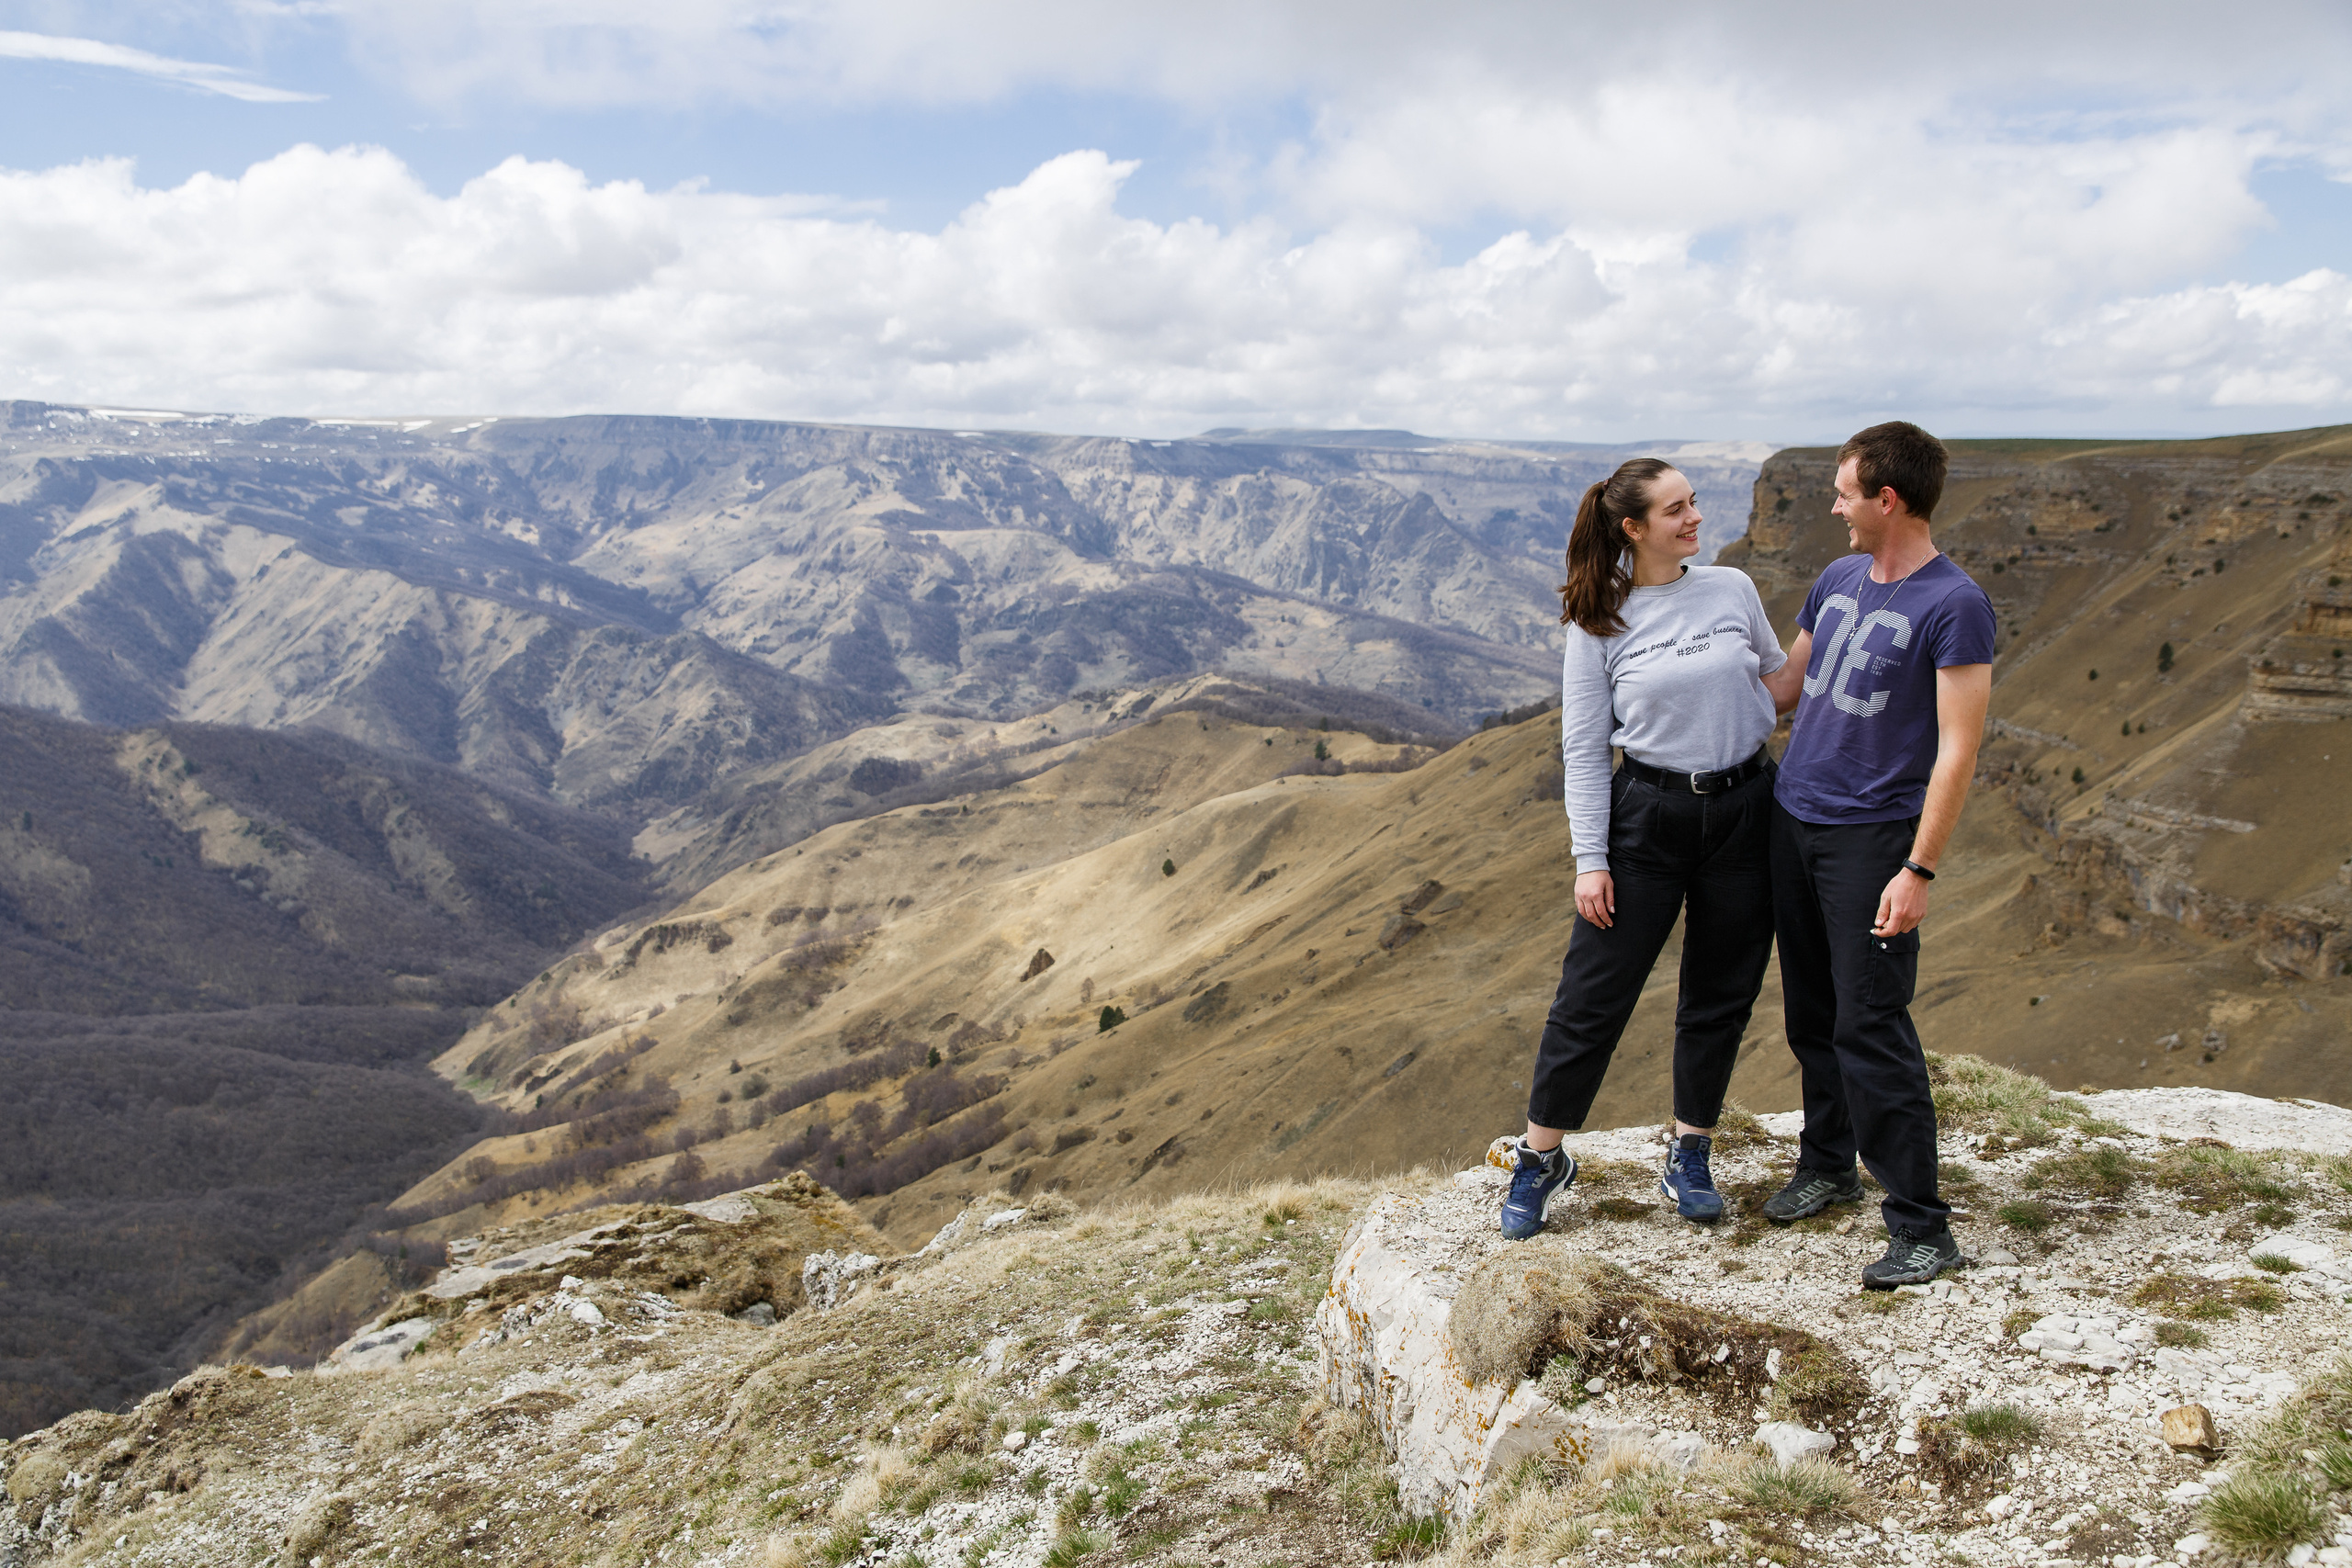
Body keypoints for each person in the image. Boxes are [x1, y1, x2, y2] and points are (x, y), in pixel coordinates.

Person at [1500, 458, 1789, 1240]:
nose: (1695, 517)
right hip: (1647, 818)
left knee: (1721, 991)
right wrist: (1589, 857)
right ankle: (1541, 1156)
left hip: (1745, 809)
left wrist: (1838, 625)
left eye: (1693, 502)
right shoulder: (1600, 618)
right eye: (1676, 509)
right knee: (1592, 996)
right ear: (1633, 528)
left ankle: (1690, 1149)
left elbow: (1774, 684)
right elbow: (1586, 745)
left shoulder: (1732, 589)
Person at [1758, 421, 1993, 1290]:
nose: (1834, 504)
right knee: (1812, 1011)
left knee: (1872, 1024)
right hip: (1795, 819)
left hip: (1871, 841)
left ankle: (1922, 1225)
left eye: (1844, 491)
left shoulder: (1955, 603)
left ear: (1886, 499)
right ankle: (1826, 1164)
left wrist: (1918, 868)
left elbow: (1958, 750)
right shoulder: (1837, 577)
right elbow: (1786, 687)